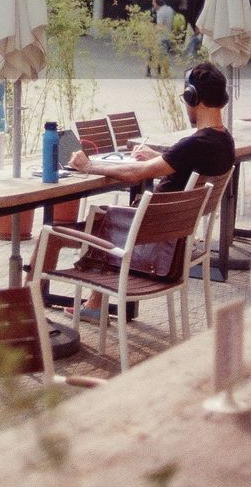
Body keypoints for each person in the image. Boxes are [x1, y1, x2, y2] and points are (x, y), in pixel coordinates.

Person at [64, 60, 235, 317]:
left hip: (149, 233)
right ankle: (94, 305)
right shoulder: (224, 141)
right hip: (173, 229)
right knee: (109, 217)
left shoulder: (194, 144)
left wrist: (89, 166)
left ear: (193, 97)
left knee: (84, 224)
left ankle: (43, 302)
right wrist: (157, 156)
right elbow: (187, 162)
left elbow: (135, 174)